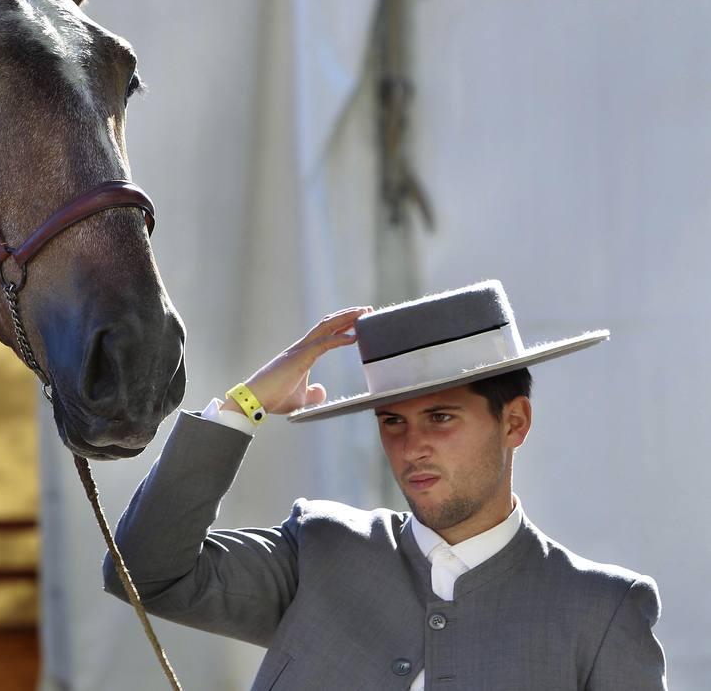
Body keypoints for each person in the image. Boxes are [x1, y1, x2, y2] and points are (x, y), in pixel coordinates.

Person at [104, 280, 666, 689]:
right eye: (391, 421)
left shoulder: (603, 610)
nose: (411, 445)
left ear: (514, 422)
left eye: (441, 418)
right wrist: (241, 407)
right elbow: (142, 572)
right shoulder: (321, 549)